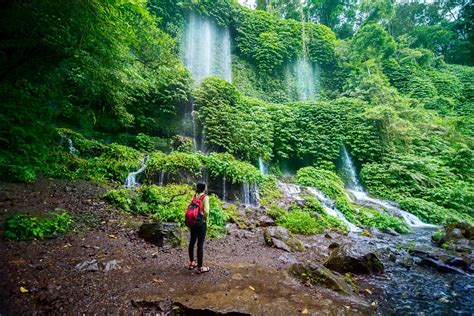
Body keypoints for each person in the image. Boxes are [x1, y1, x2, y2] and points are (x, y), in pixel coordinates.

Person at [188, 182, 210, 273]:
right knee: (200, 244)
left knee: (192, 242)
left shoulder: (194, 195)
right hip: (201, 223)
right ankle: (200, 268)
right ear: (204, 188)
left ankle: (192, 262)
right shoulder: (205, 197)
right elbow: (207, 211)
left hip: (193, 222)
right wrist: (205, 219)